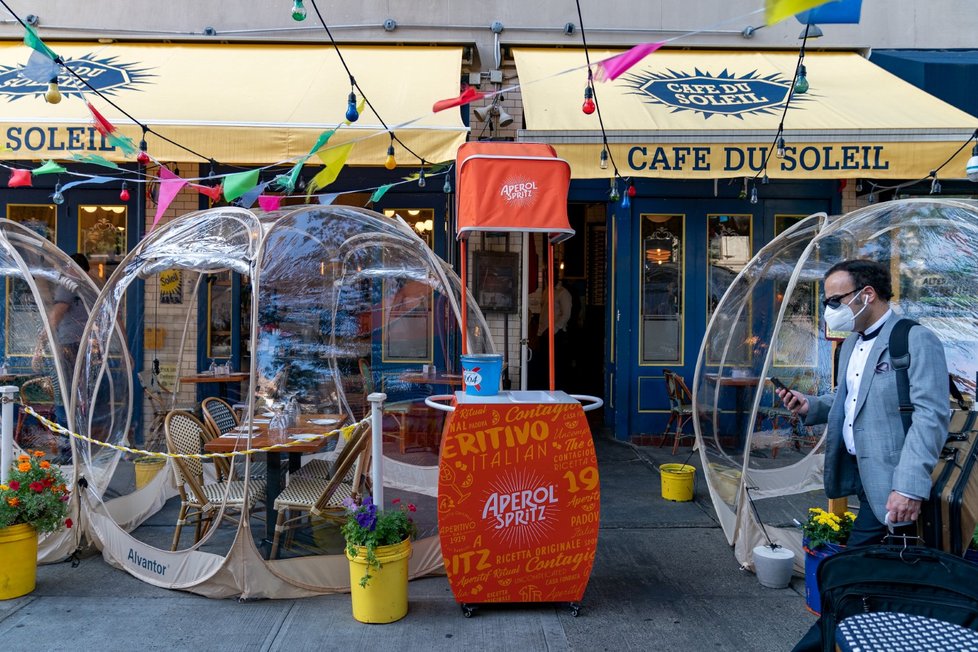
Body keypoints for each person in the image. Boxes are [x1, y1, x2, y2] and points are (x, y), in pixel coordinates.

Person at [778, 259, 949, 652]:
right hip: (859, 475)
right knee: (877, 583)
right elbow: (849, 400)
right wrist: (811, 406)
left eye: (835, 299)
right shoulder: (853, 342)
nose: (829, 310)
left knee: (850, 577)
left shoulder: (914, 340)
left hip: (894, 486)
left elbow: (931, 417)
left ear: (866, 295)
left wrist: (907, 488)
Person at [529, 279, 572, 389]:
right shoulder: (547, 290)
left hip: (556, 334)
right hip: (544, 332)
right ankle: (546, 388)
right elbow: (543, 311)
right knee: (544, 363)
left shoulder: (563, 293)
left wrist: (554, 328)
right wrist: (540, 331)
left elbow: (566, 315)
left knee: (556, 364)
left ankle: (557, 389)